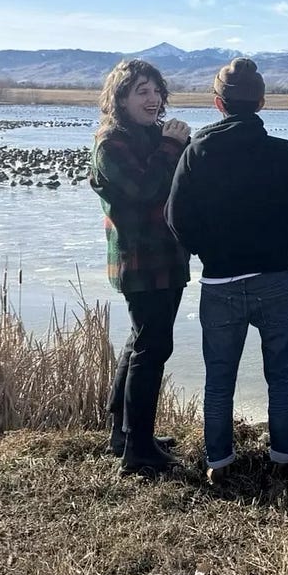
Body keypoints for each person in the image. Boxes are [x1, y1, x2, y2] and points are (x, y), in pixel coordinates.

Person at [166, 57, 288, 483]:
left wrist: (210, 251)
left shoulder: (197, 152)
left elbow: (177, 219)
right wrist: (275, 243)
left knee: (219, 379)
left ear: (218, 103)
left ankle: (219, 464)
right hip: (277, 278)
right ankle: (284, 459)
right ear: (262, 102)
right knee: (282, 373)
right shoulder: (285, 153)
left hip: (219, 283)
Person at [90, 59, 191, 475]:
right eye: (141, 92)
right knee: (153, 347)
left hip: (168, 256)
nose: (152, 99)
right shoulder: (110, 144)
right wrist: (172, 147)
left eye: (155, 91)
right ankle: (137, 453)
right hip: (139, 260)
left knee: (140, 342)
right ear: (121, 99)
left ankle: (127, 435)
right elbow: (147, 189)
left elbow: (180, 188)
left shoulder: (153, 136)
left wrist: (181, 148)